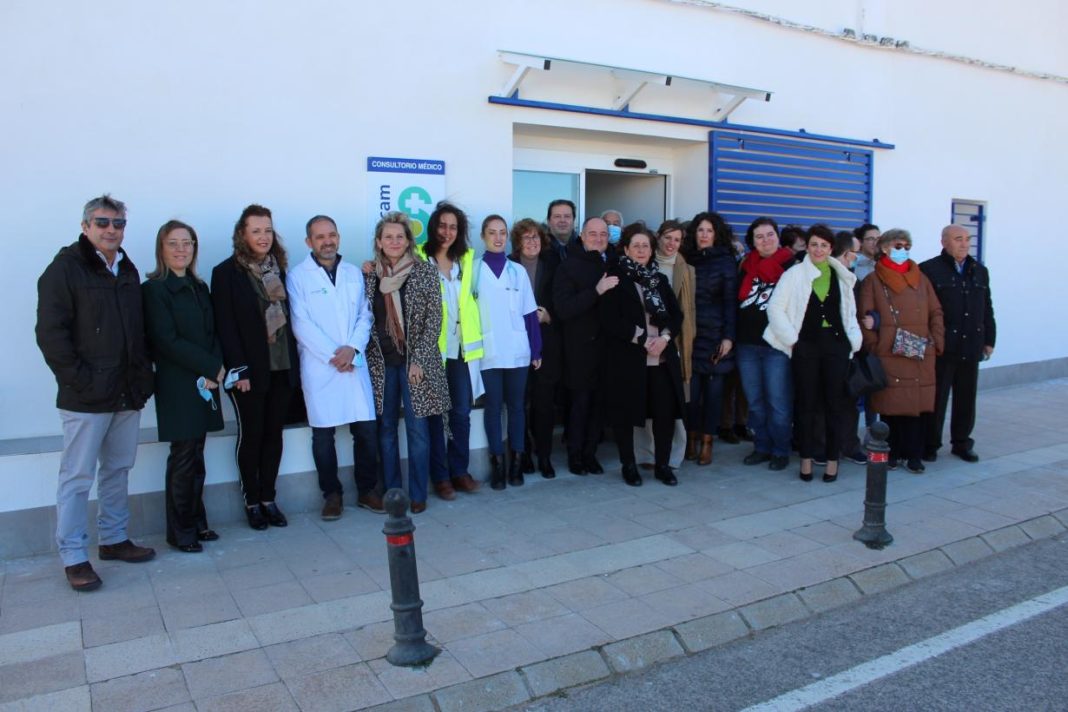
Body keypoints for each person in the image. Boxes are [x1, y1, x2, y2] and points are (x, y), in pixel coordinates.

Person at [36, 195, 156, 590]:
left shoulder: (127, 269)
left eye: (118, 224)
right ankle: (73, 555)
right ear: (86, 226)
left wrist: (143, 377)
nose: (111, 230)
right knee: (77, 476)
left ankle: (114, 539)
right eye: (102, 222)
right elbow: (50, 334)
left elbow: (138, 331)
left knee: (118, 469)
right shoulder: (65, 269)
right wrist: (80, 381)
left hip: (126, 392)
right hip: (86, 396)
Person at [287, 215, 383, 521]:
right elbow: (300, 324)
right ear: (309, 242)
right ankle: (332, 495)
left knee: (366, 432)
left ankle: (367, 490)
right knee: (323, 437)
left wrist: (352, 349)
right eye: (320, 237)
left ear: (338, 237)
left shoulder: (354, 273)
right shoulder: (297, 277)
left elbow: (365, 315)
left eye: (331, 235)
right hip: (321, 367)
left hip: (354, 362)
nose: (327, 241)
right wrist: (335, 355)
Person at [212, 204, 301, 530]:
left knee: (274, 434)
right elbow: (225, 325)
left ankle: (268, 498)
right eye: (256, 231)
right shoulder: (226, 273)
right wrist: (239, 370)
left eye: (267, 230)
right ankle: (251, 501)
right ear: (242, 234)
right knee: (251, 436)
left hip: (281, 366)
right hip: (249, 372)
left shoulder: (279, 270)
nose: (263, 237)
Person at [142, 220, 224, 553]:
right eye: (173, 243)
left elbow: (213, 332)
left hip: (205, 382)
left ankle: (196, 520)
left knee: (197, 454)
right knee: (183, 456)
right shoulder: (154, 290)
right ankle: (180, 531)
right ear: (161, 249)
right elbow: (166, 340)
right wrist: (210, 366)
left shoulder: (198, 286)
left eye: (187, 243)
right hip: (178, 383)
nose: (181, 249)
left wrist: (216, 368)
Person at [364, 212, 449, 514]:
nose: (394, 241)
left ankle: (417, 494)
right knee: (386, 430)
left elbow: (434, 320)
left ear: (409, 241)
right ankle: (393, 492)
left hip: (415, 365)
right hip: (382, 365)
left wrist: (420, 361)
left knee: (417, 430)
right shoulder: (369, 275)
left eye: (400, 236)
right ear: (379, 242)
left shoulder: (424, 272)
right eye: (388, 237)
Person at [765, 224, 862, 483]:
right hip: (806, 346)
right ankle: (806, 459)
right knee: (806, 405)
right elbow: (775, 308)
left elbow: (850, 312)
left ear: (831, 248)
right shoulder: (794, 274)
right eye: (814, 244)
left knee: (834, 405)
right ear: (807, 247)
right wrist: (792, 340)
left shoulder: (841, 274)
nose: (819, 250)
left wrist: (853, 341)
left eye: (824, 245)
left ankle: (832, 461)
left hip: (836, 346)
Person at [599, 225, 685, 487]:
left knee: (664, 415)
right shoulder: (615, 277)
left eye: (645, 245)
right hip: (629, 358)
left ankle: (662, 466)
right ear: (626, 249)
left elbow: (676, 315)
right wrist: (643, 339)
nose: (640, 250)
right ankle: (629, 465)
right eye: (635, 245)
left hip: (661, 358)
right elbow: (611, 319)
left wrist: (665, 338)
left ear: (651, 250)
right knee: (626, 416)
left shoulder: (658, 279)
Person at [858, 229, 945, 473]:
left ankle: (914, 454)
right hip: (890, 351)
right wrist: (876, 346)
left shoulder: (921, 278)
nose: (903, 250)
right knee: (891, 406)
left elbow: (936, 311)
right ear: (885, 248)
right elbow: (864, 316)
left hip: (920, 351)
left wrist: (936, 341)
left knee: (916, 407)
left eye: (907, 246)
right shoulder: (873, 281)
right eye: (898, 246)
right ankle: (892, 453)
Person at [418, 202, 483, 500]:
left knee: (461, 414)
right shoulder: (419, 257)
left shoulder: (466, 259)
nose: (447, 232)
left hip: (461, 350)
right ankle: (440, 477)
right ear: (433, 227)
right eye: (443, 226)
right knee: (436, 416)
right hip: (433, 350)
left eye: (453, 227)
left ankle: (460, 471)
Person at [475, 215, 542, 489]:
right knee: (493, 408)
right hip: (488, 350)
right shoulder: (473, 270)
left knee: (516, 407)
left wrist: (536, 349)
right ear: (483, 236)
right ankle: (498, 464)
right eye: (492, 232)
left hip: (517, 351)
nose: (498, 237)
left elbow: (530, 314)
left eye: (502, 232)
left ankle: (516, 462)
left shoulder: (518, 271)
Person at [920, 225, 995, 463]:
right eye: (958, 239)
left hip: (971, 344)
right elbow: (923, 310)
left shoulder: (979, 270)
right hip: (943, 346)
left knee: (966, 398)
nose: (964, 244)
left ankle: (961, 443)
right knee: (936, 398)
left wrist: (989, 340)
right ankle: (930, 444)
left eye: (967, 239)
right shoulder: (929, 269)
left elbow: (987, 307)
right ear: (944, 242)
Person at [553, 216, 618, 474]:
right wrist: (596, 291)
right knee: (580, 405)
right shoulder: (568, 266)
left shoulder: (614, 263)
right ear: (582, 236)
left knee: (599, 405)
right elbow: (563, 309)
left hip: (608, 348)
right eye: (593, 234)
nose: (599, 239)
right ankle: (575, 456)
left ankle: (591, 454)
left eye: (603, 234)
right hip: (579, 349)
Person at [735, 217, 795, 471]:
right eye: (759, 236)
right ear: (753, 242)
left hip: (776, 346)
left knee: (777, 402)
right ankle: (761, 447)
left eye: (770, 234)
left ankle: (780, 450)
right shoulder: (745, 265)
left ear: (778, 237)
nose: (766, 240)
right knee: (755, 401)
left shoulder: (792, 266)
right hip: (746, 344)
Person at [636, 219, 694, 470]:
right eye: (667, 237)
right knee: (647, 401)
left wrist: (669, 337)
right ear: (657, 238)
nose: (672, 243)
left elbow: (684, 311)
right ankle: (646, 455)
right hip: (643, 343)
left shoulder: (686, 269)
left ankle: (673, 456)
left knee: (672, 402)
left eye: (677, 239)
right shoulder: (642, 267)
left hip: (674, 341)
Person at [682, 211, 737, 466]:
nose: (704, 235)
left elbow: (730, 303)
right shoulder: (686, 259)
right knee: (691, 395)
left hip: (716, 337)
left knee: (714, 395)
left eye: (709, 231)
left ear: (717, 235)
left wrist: (728, 337)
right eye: (700, 230)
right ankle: (691, 439)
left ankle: (707, 442)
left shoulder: (726, 262)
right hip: (691, 335)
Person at [510, 218, 562, 478]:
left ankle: (544, 456)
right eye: (526, 237)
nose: (532, 242)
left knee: (544, 404)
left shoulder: (553, 263)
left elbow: (563, 299)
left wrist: (550, 316)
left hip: (547, 343)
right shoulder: (507, 265)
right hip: (517, 344)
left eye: (536, 237)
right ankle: (524, 454)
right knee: (520, 403)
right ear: (518, 242)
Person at [831, 230, 869, 466]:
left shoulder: (852, 279)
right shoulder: (823, 275)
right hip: (830, 349)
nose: (858, 257)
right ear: (846, 253)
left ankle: (848, 446)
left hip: (848, 349)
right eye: (856, 252)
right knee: (830, 401)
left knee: (848, 401)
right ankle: (829, 447)